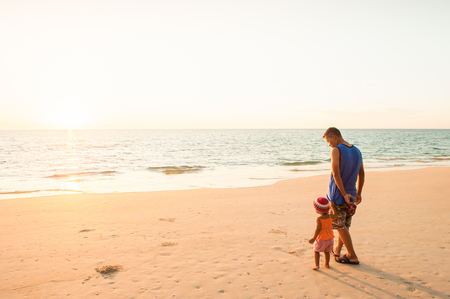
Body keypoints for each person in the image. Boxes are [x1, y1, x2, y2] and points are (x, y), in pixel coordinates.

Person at [323, 127, 364, 265]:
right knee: (345, 224)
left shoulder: (336, 150)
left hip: (338, 195)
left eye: (329, 141)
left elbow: (336, 174)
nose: (329, 144)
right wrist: (358, 192)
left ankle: (352, 255)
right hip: (352, 194)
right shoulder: (357, 151)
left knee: (338, 225)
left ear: (334, 137)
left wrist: (343, 193)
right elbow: (362, 173)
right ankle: (337, 249)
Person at [309, 196, 335, 270]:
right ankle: (327, 264)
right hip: (330, 238)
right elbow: (335, 215)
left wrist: (314, 238)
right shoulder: (330, 216)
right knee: (327, 252)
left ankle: (317, 265)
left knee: (316, 251)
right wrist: (333, 208)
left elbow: (318, 229)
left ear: (317, 210)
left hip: (322, 238)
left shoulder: (319, 219)